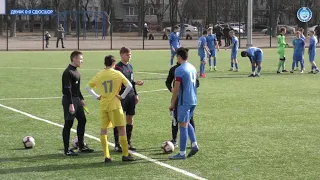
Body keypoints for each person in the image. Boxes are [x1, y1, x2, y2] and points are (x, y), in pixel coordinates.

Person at [85, 55, 136, 162]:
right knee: (121, 129)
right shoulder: (117, 73)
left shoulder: (99, 74)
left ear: (105, 63)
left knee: (103, 130)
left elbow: (87, 87)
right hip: (115, 105)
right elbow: (129, 86)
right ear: (114, 63)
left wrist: (96, 96)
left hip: (104, 106)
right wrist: (122, 96)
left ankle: (107, 156)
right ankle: (125, 155)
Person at [61, 51, 94, 156]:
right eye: (80, 59)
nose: (82, 61)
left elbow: (76, 88)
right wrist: (71, 104)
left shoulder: (77, 72)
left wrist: (81, 99)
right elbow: (67, 90)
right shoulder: (68, 72)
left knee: (82, 120)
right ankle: (67, 150)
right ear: (74, 59)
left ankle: (81, 146)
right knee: (68, 124)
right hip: (69, 100)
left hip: (76, 100)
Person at [169, 47, 199, 160]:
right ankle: (194, 144)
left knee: (182, 125)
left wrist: (172, 103)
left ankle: (182, 153)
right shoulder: (192, 67)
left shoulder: (180, 70)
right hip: (193, 100)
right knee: (187, 122)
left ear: (179, 57)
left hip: (184, 101)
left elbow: (176, 89)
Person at [113, 47, 144, 152]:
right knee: (119, 120)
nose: (129, 56)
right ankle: (117, 144)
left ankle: (128, 142)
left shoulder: (130, 66)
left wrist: (136, 94)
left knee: (130, 118)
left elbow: (130, 81)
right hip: (121, 96)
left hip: (130, 96)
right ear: (121, 55)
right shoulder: (118, 67)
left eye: (130, 55)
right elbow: (121, 82)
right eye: (127, 55)